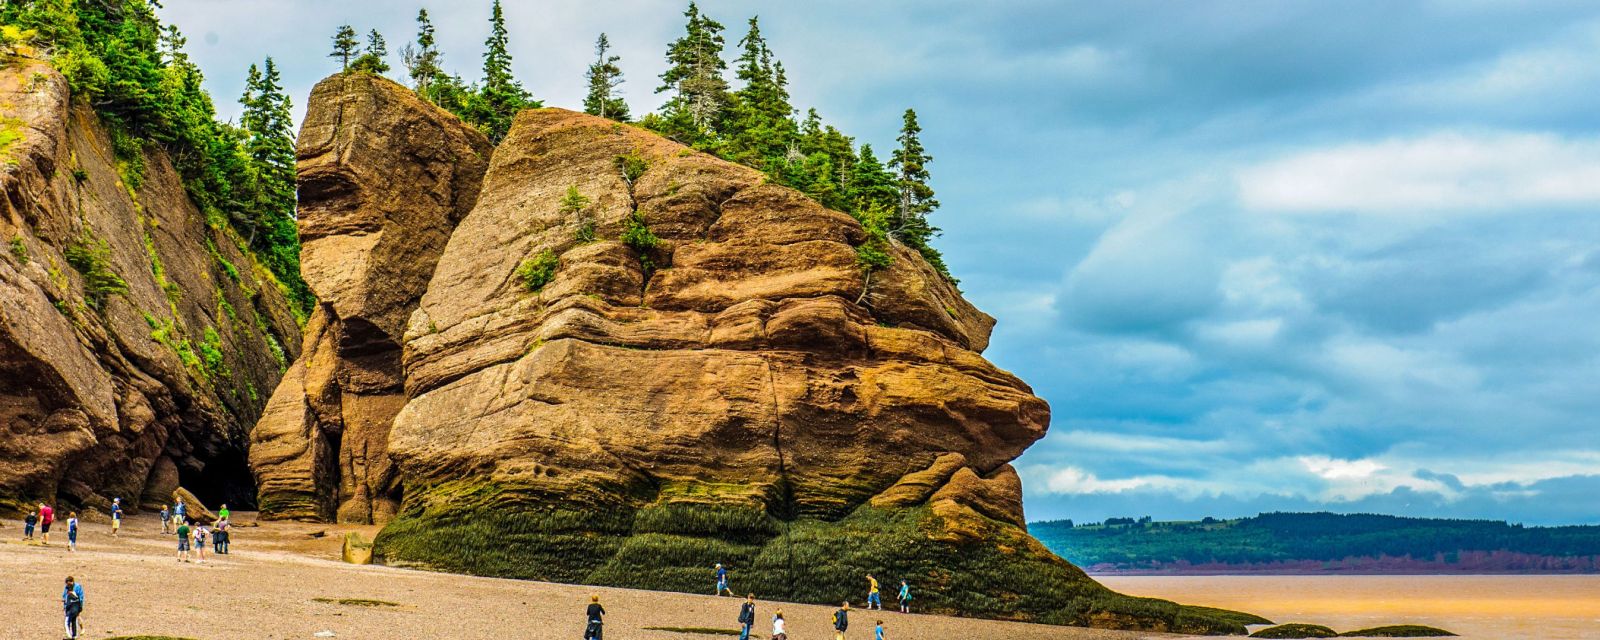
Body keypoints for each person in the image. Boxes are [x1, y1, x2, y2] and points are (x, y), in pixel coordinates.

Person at [61, 575, 84, 639]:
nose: (67, 585)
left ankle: (70, 636)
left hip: (72, 609)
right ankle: (75, 635)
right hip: (75, 607)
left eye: (68, 583)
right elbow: (64, 595)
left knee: (67, 622)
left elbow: (81, 598)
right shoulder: (67, 588)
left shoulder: (78, 587)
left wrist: (80, 607)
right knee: (74, 621)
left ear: (72, 581)